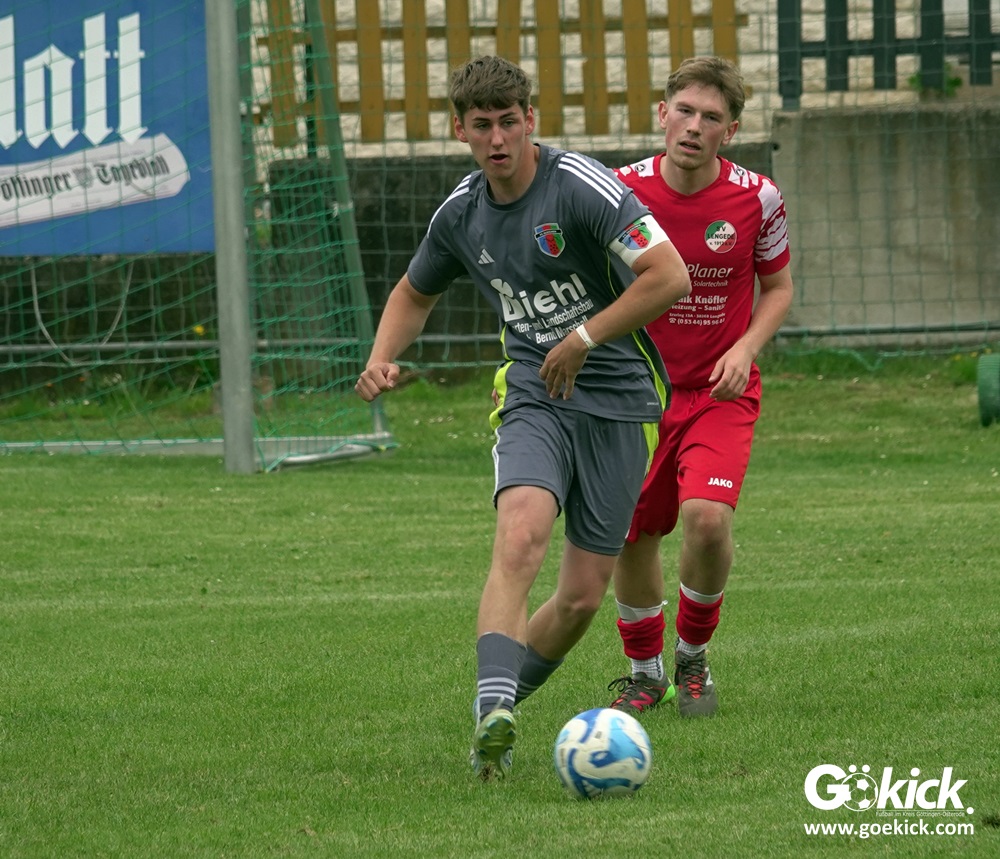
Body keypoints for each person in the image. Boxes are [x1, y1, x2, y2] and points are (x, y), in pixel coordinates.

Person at [355, 55, 690, 779]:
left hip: (622, 402)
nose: (498, 138)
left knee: (579, 599)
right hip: (535, 393)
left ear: (530, 119)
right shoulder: (460, 213)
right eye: (482, 125)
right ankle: (493, 714)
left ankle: (500, 714)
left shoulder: (582, 188)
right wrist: (382, 356)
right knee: (520, 537)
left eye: (510, 121)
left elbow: (669, 276)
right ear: (461, 131)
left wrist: (584, 337)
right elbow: (413, 292)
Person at [605, 56, 794, 718]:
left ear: (730, 131)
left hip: (719, 392)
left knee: (708, 520)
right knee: (631, 533)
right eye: (683, 110)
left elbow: (779, 288)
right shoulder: (619, 193)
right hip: (634, 393)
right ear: (663, 114)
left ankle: (692, 657)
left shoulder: (757, 197)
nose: (693, 126)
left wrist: (746, 346)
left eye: (710, 117)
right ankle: (644, 672)